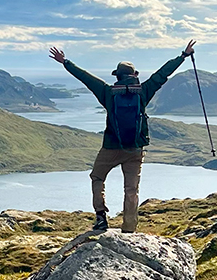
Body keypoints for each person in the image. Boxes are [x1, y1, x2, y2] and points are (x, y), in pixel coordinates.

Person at [49, 40, 196, 233]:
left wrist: (66, 62)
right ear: (134, 75)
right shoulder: (143, 91)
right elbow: (162, 74)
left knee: (97, 177)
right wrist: (183, 56)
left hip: (111, 146)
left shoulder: (108, 92)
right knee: (131, 189)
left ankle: (101, 218)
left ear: (117, 76)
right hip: (135, 148)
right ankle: (129, 227)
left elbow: (85, 78)